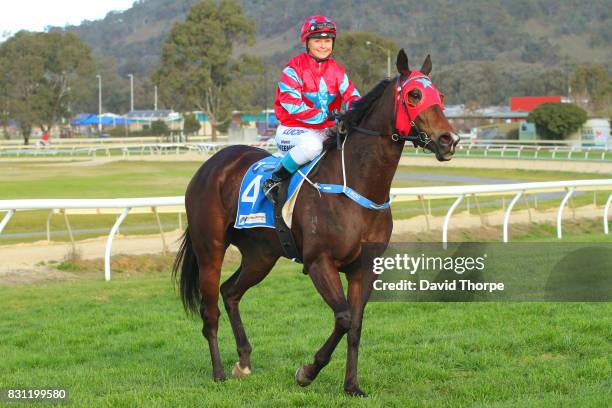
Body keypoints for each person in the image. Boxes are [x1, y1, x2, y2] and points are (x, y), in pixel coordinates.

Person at [263, 15, 360, 202]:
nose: (323, 45)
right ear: (307, 43)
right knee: (313, 146)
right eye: (317, 40)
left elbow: (352, 96)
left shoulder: (338, 72)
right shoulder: (293, 69)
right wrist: (329, 117)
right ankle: (273, 180)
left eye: (327, 40)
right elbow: (292, 105)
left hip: (323, 130)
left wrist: (355, 111)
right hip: (291, 131)